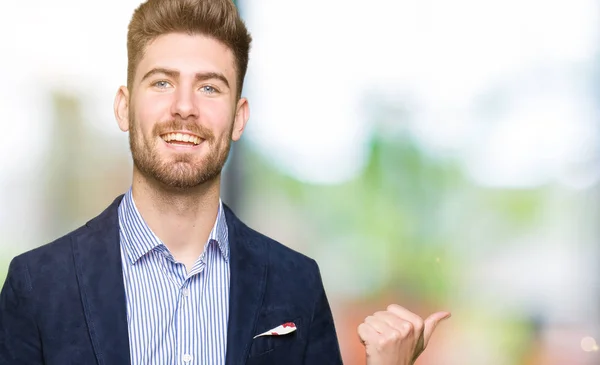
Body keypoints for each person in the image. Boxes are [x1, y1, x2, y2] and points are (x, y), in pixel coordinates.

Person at [0, 0, 449, 364]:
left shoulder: (297, 284)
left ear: (238, 118)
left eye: (209, 88)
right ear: (123, 106)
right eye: (161, 83)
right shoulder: (37, 286)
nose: (184, 107)